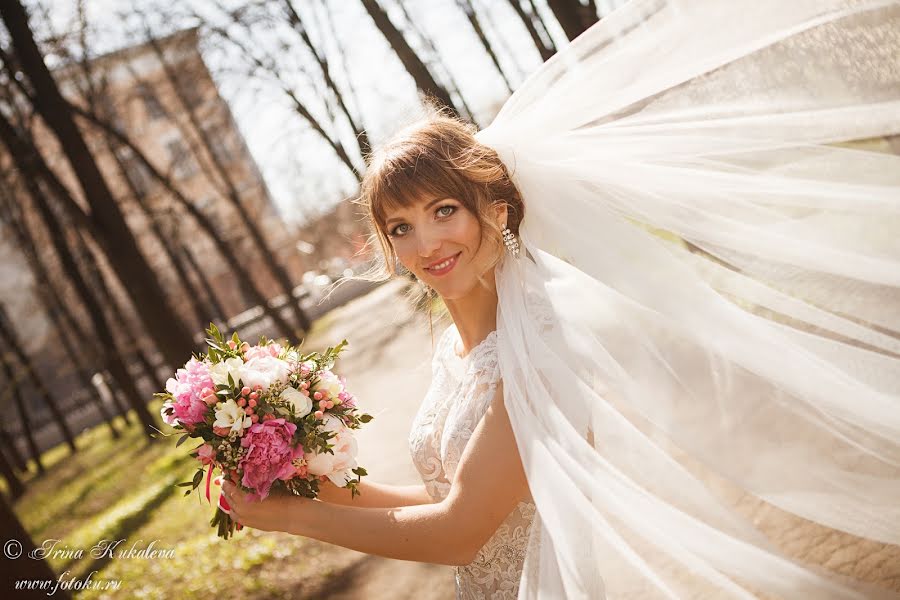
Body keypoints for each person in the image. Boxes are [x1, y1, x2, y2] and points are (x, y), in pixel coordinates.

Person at [224, 0, 900, 598]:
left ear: (493, 204)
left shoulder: (537, 345)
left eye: (444, 209)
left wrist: (293, 520)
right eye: (400, 226)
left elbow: (459, 531)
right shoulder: (461, 354)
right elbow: (437, 500)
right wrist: (294, 476)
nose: (425, 242)